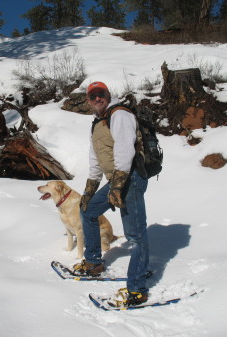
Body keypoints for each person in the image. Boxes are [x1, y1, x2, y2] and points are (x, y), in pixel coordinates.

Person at [73, 81, 150, 308]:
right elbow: (95, 158)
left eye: (101, 94)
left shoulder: (120, 115)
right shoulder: (98, 122)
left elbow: (125, 150)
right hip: (117, 180)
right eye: (92, 96)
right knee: (87, 210)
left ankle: (137, 289)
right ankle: (94, 262)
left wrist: (117, 186)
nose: (97, 98)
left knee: (135, 235)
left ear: (108, 95)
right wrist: (89, 189)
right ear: (88, 100)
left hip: (131, 179)